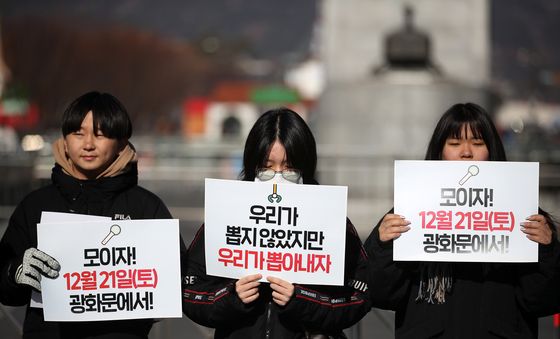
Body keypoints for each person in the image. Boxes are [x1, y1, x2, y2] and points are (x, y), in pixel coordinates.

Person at [0, 91, 188, 339]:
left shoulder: (145, 208)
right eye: (78, 133)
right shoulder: (36, 205)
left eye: (100, 134)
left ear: (121, 142)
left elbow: (179, 281)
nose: (88, 144)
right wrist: (16, 273)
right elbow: (5, 288)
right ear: (64, 140)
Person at [364, 102, 560, 339]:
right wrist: (383, 247)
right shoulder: (410, 211)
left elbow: (542, 302)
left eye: (478, 143)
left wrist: (547, 252)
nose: (466, 152)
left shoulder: (524, 214)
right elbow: (381, 294)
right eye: (454, 143)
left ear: (492, 150)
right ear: (440, 151)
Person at [182, 108, 370, 338]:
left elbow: (360, 295)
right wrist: (231, 296)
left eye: (289, 167)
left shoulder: (330, 218)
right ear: (252, 165)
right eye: (267, 166)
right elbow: (190, 291)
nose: (278, 176)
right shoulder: (226, 214)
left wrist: (302, 299)